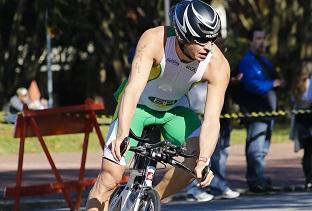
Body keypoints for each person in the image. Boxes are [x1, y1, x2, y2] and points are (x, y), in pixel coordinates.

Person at [86, 1, 230, 210]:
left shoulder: (217, 64)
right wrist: (122, 134)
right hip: (138, 106)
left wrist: (204, 160)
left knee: (196, 158)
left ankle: (149, 199)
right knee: (110, 177)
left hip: (174, 109)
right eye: (201, 41)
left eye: (211, 40)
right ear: (182, 35)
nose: (208, 47)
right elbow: (133, 90)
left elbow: (211, 120)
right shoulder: (155, 40)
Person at [185, 35, 240, 201]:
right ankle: (192, 188)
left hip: (217, 115)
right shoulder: (197, 62)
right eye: (219, 44)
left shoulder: (221, 65)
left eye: (224, 44)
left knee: (219, 153)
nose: (221, 47)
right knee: (196, 152)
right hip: (197, 113)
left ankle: (218, 184)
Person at [237, 25, 283, 192]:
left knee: (262, 149)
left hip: (267, 111)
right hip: (255, 111)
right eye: (258, 38)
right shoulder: (247, 61)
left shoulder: (264, 60)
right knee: (256, 149)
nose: (262, 42)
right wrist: (272, 84)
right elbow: (251, 84)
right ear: (250, 41)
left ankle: (259, 178)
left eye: (263, 38)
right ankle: (255, 180)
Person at [290, 59, 312, 190]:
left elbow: (294, 100)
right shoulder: (306, 82)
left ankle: (308, 179)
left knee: (308, 152)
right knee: (310, 151)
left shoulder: (298, 83)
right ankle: (309, 178)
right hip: (307, 120)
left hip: (301, 121)